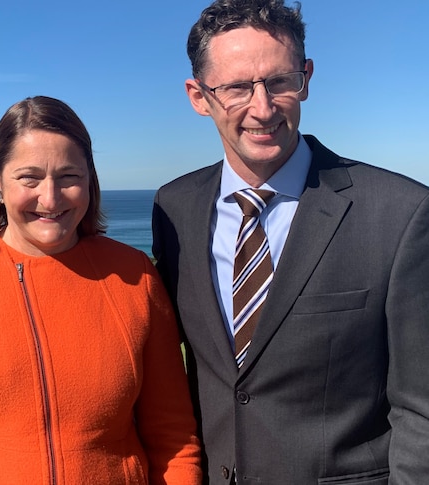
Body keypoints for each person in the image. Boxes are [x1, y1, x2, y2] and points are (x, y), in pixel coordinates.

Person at [151, 0, 429, 483]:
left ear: (307, 78)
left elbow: (422, 410)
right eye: (237, 87)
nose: (262, 108)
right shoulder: (173, 208)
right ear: (199, 96)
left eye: (280, 81)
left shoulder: (400, 213)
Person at [0, 95, 202, 484]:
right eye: (29, 177)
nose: (49, 199)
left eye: (69, 177)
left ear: (90, 177)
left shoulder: (134, 276)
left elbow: (174, 439)